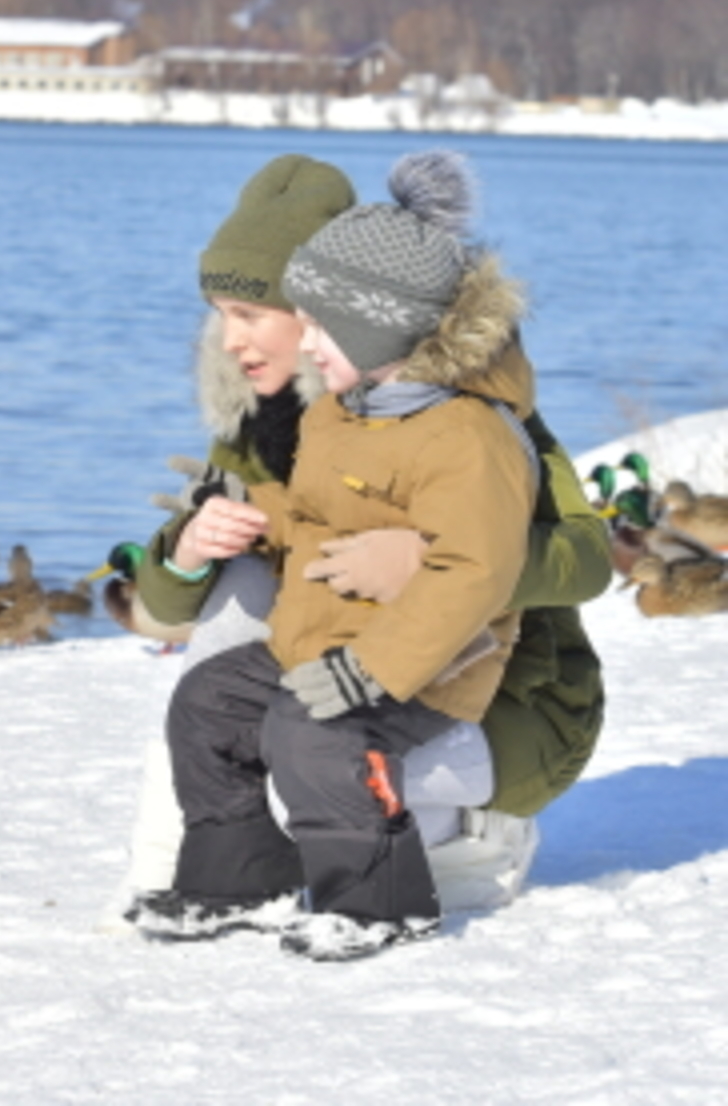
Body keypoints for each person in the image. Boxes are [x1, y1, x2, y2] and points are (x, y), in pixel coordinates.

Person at [120, 151, 609, 959]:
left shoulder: (473, 418)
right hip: (339, 651)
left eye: (254, 312)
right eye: (220, 314)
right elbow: (172, 605)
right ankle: (239, 876)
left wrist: (422, 556)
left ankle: (451, 855)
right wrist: (196, 542)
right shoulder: (300, 417)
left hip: (487, 692)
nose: (230, 339)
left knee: (315, 743)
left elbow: (586, 561)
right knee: (220, 694)